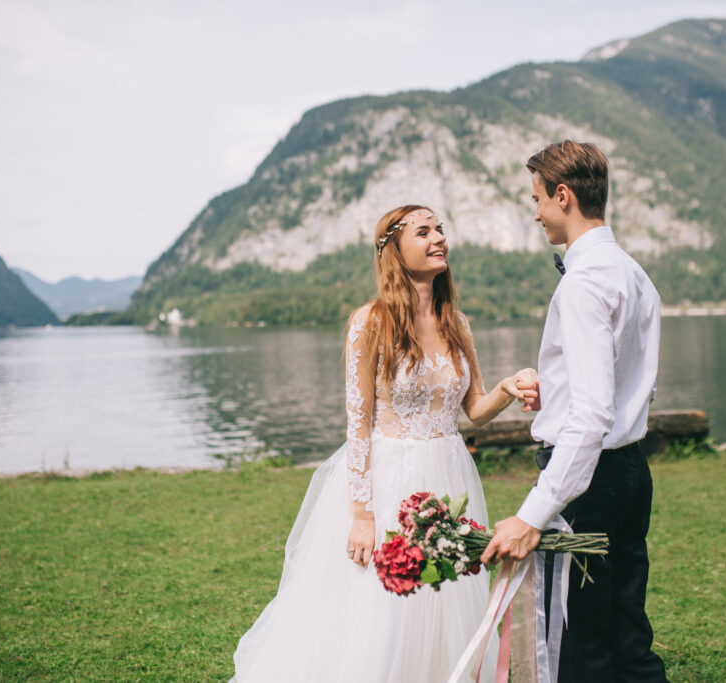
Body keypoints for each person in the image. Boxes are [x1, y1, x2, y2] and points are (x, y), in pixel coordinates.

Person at [230, 205, 537, 682]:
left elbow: (474, 409)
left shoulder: (456, 322)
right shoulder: (370, 321)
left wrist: (508, 387)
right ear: (394, 250)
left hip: (450, 476)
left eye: (440, 230)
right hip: (393, 478)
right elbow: (358, 422)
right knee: (388, 609)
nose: (439, 238)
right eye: (424, 232)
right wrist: (362, 515)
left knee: (445, 596)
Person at [480, 141, 667, 681]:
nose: (536, 213)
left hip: (590, 486)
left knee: (583, 647)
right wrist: (556, 395)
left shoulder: (584, 283)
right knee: (627, 633)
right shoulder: (633, 273)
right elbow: (630, 382)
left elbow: (590, 416)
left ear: (563, 196)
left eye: (537, 199)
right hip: (630, 471)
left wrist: (531, 516)